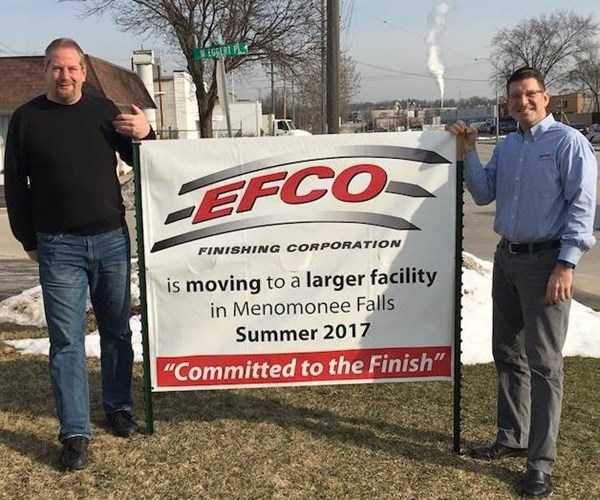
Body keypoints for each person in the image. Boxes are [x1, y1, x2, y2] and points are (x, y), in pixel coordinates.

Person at [4, 38, 156, 471]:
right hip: (58, 246)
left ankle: (118, 407)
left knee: (117, 332)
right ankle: (74, 432)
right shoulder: (26, 119)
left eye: (72, 68)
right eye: (56, 68)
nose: (64, 75)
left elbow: (146, 158)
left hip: (110, 239)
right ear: (45, 70)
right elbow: (16, 185)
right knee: (66, 342)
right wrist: (27, 238)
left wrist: (148, 134)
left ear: (84, 73)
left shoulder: (104, 111)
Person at [447, 67, 597, 497]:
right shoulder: (509, 146)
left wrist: (566, 265)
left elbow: (582, 208)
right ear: (507, 103)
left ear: (546, 98)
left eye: (530, 94)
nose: (522, 102)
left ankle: (540, 463)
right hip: (507, 258)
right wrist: (469, 152)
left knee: (545, 365)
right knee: (507, 352)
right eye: (515, 96)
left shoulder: (569, 143)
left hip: (547, 263)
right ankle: (512, 437)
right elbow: (482, 193)